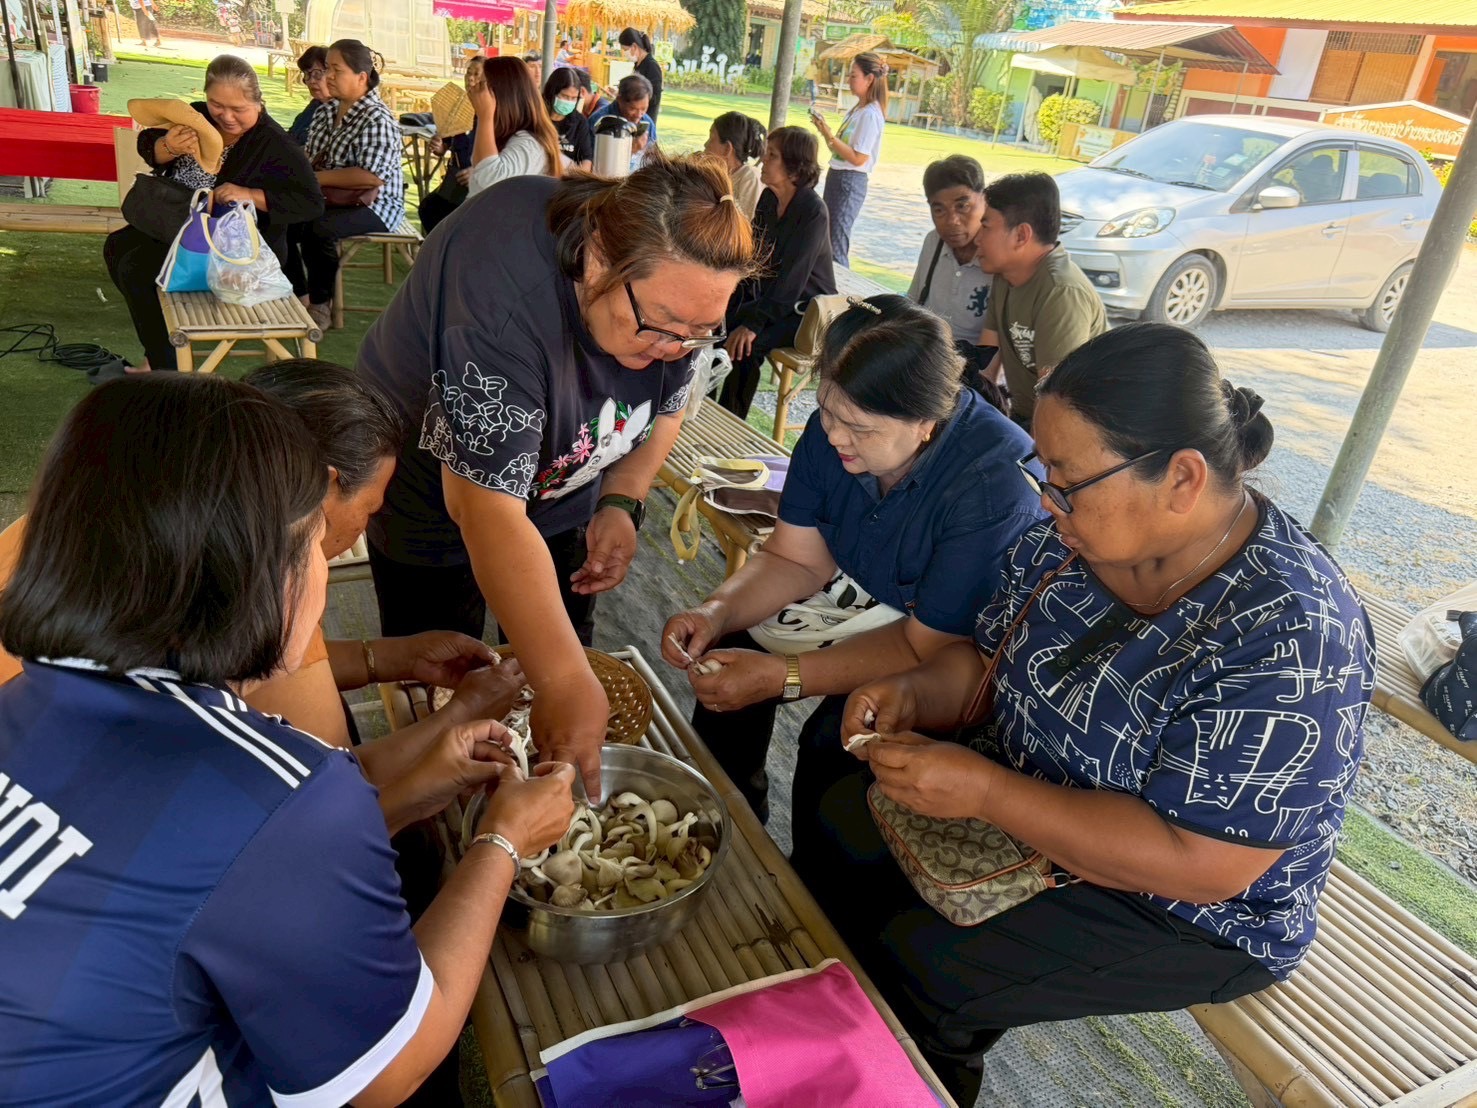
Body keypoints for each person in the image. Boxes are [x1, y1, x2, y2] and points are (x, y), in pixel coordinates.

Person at [805, 323, 1372, 1106]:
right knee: (835, 774)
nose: (1046, 501)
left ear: (1180, 478)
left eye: (1067, 482)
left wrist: (986, 793)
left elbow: (1202, 863)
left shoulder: (1290, 634)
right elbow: (985, 660)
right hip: (1035, 788)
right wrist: (914, 695)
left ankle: (897, 1070)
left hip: (1185, 906)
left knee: (927, 963)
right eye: (1043, 473)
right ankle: (816, 1016)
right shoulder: (1068, 543)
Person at [0, 375, 577, 1105]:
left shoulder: (26, 699)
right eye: (313, 544)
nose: (326, 566)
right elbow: (388, 1073)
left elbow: (218, 863)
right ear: (251, 568)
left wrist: (415, 774)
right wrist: (502, 841)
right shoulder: (284, 798)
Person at [356, 154, 756, 799]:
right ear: (597, 260)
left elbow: (670, 408)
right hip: (429, 487)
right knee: (438, 673)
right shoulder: (503, 295)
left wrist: (622, 499)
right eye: (658, 327)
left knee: (563, 646)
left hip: (559, 478)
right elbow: (485, 510)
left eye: (699, 333)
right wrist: (565, 683)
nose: (673, 348)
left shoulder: (677, 301)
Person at [666, 296, 1040, 824]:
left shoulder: (992, 488)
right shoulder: (836, 427)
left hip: (950, 646)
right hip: (869, 593)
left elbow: (927, 648)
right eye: (826, 409)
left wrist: (783, 676)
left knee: (839, 744)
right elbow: (796, 560)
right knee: (728, 661)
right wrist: (715, 611)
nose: (834, 436)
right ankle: (734, 825)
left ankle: (806, 869)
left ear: (926, 422)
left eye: (860, 428)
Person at [103, 55, 323, 373]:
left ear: (257, 102)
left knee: (136, 267)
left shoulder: (275, 144)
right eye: (217, 104)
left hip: (236, 251)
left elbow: (311, 202)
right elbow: (148, 142)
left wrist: (250, 195)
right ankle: (160, 351)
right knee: (117, 247)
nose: (226, 116)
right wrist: (168, 146)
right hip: (181, 226)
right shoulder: (198, 116)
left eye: (238, 109)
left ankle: (166, 370)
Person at [718, 126, 835, 420]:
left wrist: (753, 324)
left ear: (794, 167)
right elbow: (753, 261)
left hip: (806, 313)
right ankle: (700, 409)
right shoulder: (769, 199)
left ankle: (730, 421)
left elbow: (792, 281)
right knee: (715, 326)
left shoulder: (813, 211)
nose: (763, 161)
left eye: (772, 155)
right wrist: (724, 300)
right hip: (775, 303)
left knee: (746, 345)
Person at [974, 171, 1106, 430]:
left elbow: (1058, 406)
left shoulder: (1061, 292)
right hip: (1025, 417)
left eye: (986, 226)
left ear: (1021, 236)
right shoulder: (1005, 275)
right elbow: (986, 362)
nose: (977, 238)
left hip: (1071, 430)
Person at [289, 38, 405, 332]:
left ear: (361, 77)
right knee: (280, 216)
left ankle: (321, 304)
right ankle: (299, 296)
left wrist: (315, 179)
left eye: (336, 70)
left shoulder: (377, 118)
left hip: (376, 205)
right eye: (327, 68)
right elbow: (312, 156)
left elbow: (371, 177)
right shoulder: (326, 111)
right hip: (331, 197)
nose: (327, 76)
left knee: (317, 229)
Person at [908, 155, 997, 386]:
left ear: (985, 199)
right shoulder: (933, 242)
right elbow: (914, 303)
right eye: (939, 210)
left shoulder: (999, 257)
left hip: (973, 376)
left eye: (962, 206)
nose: (952, 221)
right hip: (927, 361)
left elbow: (998, 350)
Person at [811, 51, 886, 268]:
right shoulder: (858, 110)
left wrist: (829, 134)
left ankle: (840, 286)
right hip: (839, 176)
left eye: (854, 76)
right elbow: (839, 149)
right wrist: (825, 131)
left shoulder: (870, 114)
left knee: (836, 244)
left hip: (850, 181)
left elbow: (858, 158)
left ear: (869, 79)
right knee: (827, 239)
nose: (849, 80)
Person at [467, 56, 562, 196]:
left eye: (482, 85)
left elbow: (491, 182)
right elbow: (481, 167)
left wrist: (485, 116)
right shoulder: (504, 133)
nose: (477, 91)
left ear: (503, 93)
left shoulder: (530, 143)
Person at [419, 56, 484, 234]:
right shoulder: (459, 108)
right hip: (454, 181)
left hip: (479, 185)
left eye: (476, 74)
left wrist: (479, 172)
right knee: (429, 209)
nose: (470, 79)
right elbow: (444, 145)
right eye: (468, 73)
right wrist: (438, 146)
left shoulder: (494, 114)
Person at [703, 111, 765, 218]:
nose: (705, 144)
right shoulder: (716, 175)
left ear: (727, 148)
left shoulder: (750, 178)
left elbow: (746, 222)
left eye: (711, 138)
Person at [590, 73, 657, 170]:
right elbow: (593, 164)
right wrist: (630, 150)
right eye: (633, 109)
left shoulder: (647, 122)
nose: (639, 115)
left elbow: (653, 159)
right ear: (619, 99)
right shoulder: (599, 122)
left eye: (644, 109)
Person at [544, 68, 595, 172]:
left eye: (573, 98)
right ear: (552, 92)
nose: (569, 101)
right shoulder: (537, 118)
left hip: (569, 178)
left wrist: (579, 177)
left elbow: (586, 159)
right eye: (565, 96)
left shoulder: (579, 122)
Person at [288, 45, 331, 144]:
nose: (311, 81)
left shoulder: (340, 114)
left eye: (317, 74)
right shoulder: (315, 105)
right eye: (307, 74)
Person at [618, 27, 663, 120]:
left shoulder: (652, 66)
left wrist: (634, 98)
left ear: (634, 47)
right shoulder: (638, 65)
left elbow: (654, 97)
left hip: (645, 118)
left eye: (625, 49)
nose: (625, 53)